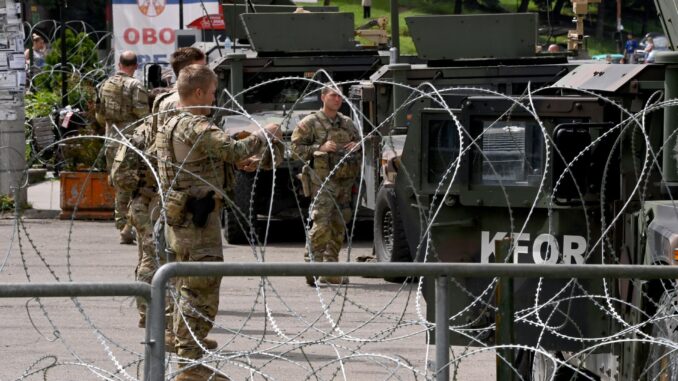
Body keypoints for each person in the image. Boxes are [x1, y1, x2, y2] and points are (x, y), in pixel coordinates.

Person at [156, 64, 281, 381]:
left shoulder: (168, 123)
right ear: (198, 92)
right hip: (197, 222)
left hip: (182, 217)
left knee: (190, 288)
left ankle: (189, 352)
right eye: (212, 92)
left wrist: (238, 165)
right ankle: (190, 364)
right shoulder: (194, 125)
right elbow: (234, 148)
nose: (214, 98)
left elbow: (206, 161)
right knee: (201, 291)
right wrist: (264, 134)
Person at [119, 46, 208, 337]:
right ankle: (161, 321)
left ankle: (159, 318)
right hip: (157, 189)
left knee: (156, 253)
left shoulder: (162, 102)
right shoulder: (175, 105)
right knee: (157, 255)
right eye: (201, 67)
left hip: (156, 186)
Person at [291, 85, 361, 286]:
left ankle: (330, 269)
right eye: (333, 95)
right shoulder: (310, 123)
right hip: (322, 182)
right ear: (323, 97)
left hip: (344, 182)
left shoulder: (346, 123)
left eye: (340, 96)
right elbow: (295, 148)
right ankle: (312, 265)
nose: (337, 99)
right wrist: (318, 148)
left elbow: (359, 142)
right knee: (321, 225)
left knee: (339, 225)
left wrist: (357, 145)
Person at [95, 51, 149, 244]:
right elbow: (144, 115)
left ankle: (123, 225)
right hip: (131, 142)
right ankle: (127, 227)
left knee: (119, 184)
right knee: (133, 184)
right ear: (135, 65)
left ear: (119, 64)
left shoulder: (105, 85)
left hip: (111, 139)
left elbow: (99, 115)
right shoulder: (136, 86)